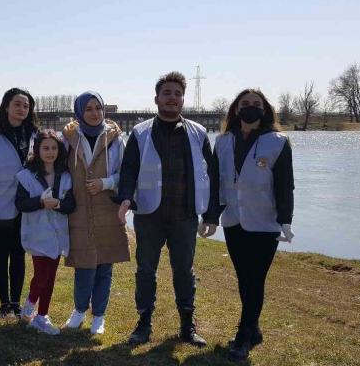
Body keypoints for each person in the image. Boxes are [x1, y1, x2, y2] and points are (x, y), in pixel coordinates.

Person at [116, 71, 219, 346]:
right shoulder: (140, 133)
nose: (172, 98)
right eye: (167, 93)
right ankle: (143, 324)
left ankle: (187, 325)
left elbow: (211, 174)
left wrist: (211, 215)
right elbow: (128, 170)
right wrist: (125, 198)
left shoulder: (198, 133)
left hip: (185, 216)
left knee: (184, 271)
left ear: (183, 99)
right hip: (149, 215)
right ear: (156, 99)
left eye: (177, 94)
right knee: (145, 271)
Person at [206, 88, 294, 362]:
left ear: (264, 110)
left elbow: (285, 185)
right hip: (234, 221)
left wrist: (286, 220)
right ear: (236, 109)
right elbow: (215, 182)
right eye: (245, 103)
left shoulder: (278, 142)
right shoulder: (223, 142)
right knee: (244, 278)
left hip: (265, 223)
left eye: (256, 103)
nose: (250, 107)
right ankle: (253, 329)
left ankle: (243, 337)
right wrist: (211, 216)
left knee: (255, 279)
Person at [60, 91, 129, 335]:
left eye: (98, 108)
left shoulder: (116, 139)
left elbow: (127, 173)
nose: (94, 113)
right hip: (78, 210)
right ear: (79, 112)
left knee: (104, 265)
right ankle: (79, 310)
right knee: (83, 264)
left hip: (107, 208)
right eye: (88, 109)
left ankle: (99, 316)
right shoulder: (68, 138)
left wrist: (106, 183)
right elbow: (58, 169)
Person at [0, 88, 39, 317]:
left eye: (26, 106)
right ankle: (4, 304)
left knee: (19, 255)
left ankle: (16, 302)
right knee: (2, 255)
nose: (22, 109)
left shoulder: (34, 135)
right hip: (0, 206)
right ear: (6, 106)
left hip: (26, 206)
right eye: (17, 104)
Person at [15, 130, 76, 335]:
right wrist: (41, 202)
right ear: (37, 150)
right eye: (46, 148)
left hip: (58, 235)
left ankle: (42, 316)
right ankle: (29, 307)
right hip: (37, 234)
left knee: (50, 277)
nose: (50, 152)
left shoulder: (66, 176)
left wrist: (57, 204)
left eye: (54, 148)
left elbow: (71, 205)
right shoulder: (26, 176)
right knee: (41, 275)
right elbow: (21, 204)